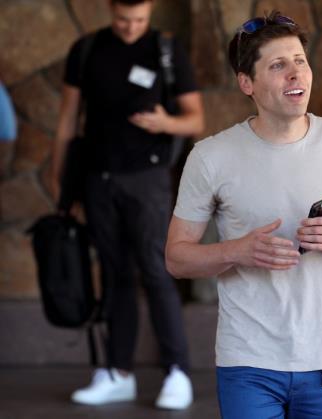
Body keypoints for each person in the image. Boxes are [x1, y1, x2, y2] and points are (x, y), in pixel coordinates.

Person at [165, 11, 322, 418]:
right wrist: (236, 251)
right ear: (246, 83)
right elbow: (177, 258)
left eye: (300, 61)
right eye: (278, 65)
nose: (295, 74)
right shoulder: (210, 156)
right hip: (248, 358)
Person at [49, 0, 205, 410]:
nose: (131, 27)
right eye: (122, 19)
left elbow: (195, 119)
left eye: (139, 19)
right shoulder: (86, 50)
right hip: (98, 178)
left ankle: (177, 371)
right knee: (114, 273)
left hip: (148, 179)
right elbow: (68, 119)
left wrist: (164, 123)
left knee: (156, 269)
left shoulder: (166, 51)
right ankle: (118, 372)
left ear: (150, 10)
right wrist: (59, 176)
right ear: (109, 9)